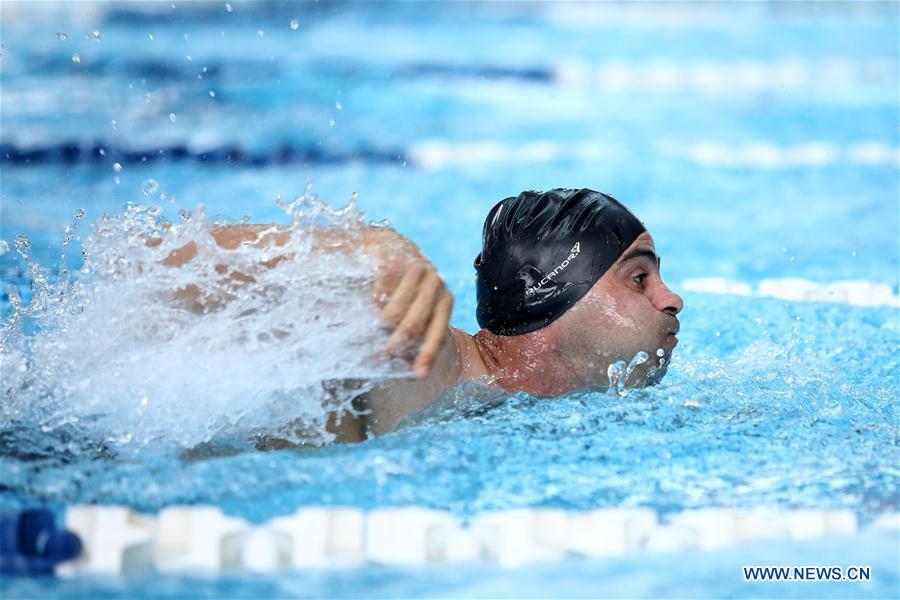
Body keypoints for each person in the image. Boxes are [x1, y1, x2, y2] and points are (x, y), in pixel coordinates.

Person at [156, 188, 683, 444]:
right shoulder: (423, 357)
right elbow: (159, 265)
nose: (672, 298)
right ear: (558, 292)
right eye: (640, 278)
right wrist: (362, 252)